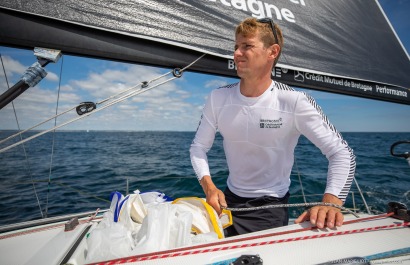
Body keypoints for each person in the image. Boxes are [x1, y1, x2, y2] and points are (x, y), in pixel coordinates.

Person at [190, 17, 356, 237]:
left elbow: (342, 153)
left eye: (247, 46)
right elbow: (198, 148)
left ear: (272, 51)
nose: (237, 53)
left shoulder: (294, 101)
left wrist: (331, 201)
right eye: (236, 46)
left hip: (269, 210)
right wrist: (209, 187)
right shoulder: (218, 98)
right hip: (225, 203)